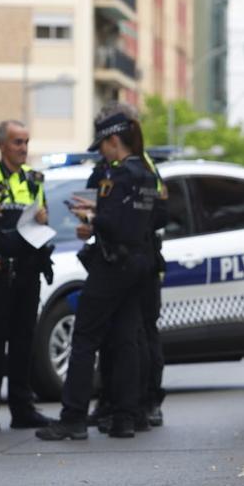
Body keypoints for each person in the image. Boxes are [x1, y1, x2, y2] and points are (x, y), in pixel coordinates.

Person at [36, 109, 157, 441]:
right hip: (138, 264)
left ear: (113, 140)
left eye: (102, 145)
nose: (101, 152)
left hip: (113, 263)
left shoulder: (118, 176)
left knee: (85, 338)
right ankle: (125, 417)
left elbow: (113, 222)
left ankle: (72, 416)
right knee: (126, 339)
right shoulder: (147, 174)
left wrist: (90, 216)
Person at [0, 120, 54, 431]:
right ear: (2, 145)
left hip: (27, 271)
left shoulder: (34, 180)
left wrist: (45, 218)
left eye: (26, 142)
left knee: (24, 342)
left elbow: (42, 223)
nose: (23, 149)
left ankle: (22, 408)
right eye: (18, 142)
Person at [89, 104, 168, 433]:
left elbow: (160, 208)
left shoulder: (141, 165)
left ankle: (145, 402)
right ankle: (114, 401)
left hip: (137, 258)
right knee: (119, 336)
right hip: (123, 256)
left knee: (140, 335)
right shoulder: (111, 166)